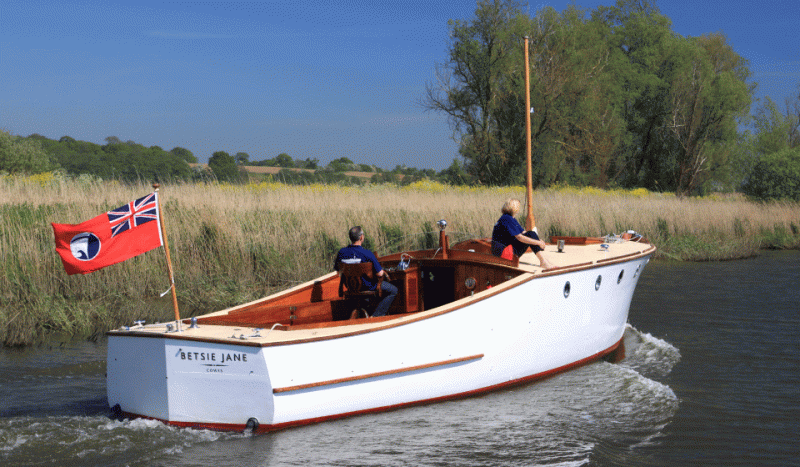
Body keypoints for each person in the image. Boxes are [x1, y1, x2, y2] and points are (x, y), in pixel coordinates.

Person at [334, 226, 398, 317]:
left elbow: (338, 272)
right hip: (368, 287)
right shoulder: (367, 253)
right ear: (361, 237)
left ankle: (364, 312)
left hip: (350, 287)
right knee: (393, 290)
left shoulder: (341, 253)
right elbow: (380, 274)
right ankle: (376, 316)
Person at [491, 198, 554, 270]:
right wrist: (538, 243)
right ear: (514, 208)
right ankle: (543, 262)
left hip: (507, 250)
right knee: (531, 234)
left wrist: (539, 241)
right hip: (504, 254)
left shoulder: (510, 218)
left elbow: (524, 233)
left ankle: (544, 261)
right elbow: (520, 237)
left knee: (531, 233)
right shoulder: (507, 219)